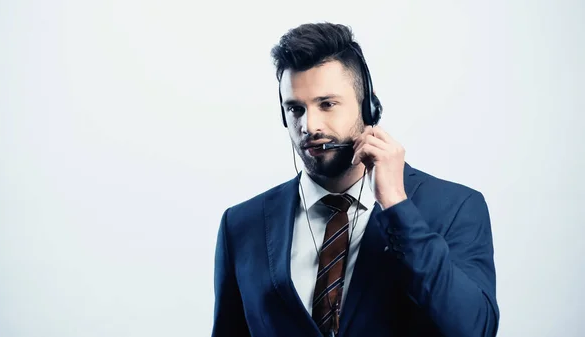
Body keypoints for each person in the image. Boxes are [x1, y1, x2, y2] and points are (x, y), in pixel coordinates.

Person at [211, 22, 500, 337]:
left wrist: (397, 206)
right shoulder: (241, 225)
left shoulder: (455, 208)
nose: (309, 125)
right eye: (295, 109)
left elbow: (475, 329)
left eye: (327, 104)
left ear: (369, 107)